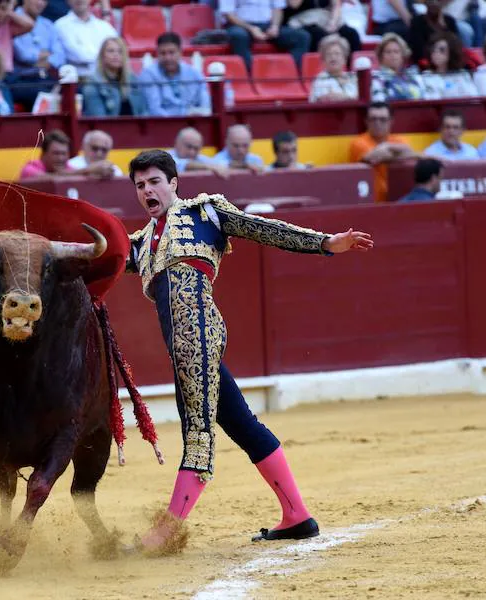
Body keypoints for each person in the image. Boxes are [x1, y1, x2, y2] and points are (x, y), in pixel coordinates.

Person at [124, 149, 372, 554]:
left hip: (199, 338)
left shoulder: (204, 212)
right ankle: (297, 516)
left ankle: (166, 531)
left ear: (173, 183)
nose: (147, 190)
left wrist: (325, 242)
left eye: (154, 181)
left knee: (197, 432)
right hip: (183, 348)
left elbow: (262, 229)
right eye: (139, 185)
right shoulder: (141, 244)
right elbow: (100, 257)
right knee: (242, 424)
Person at [349, 101, 416, 203]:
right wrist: (401, 153)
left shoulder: (398, 140)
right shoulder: (358, 143)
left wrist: (387, 146)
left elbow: (409, 153)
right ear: (366, 121)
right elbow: (374, 158)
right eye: (373, 119)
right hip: (368, 202)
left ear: (391, 121)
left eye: (383, 120)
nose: (377, 123)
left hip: (396, 200)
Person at [221, 0, 311, 71]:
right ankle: (250, 72)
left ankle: (290, 72)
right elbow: (229, 14)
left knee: (302, 36)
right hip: (240, 25)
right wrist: (251, 28)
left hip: (267, 24)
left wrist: (275, 26)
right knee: (238, 36)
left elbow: (277, 9)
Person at [138, 33, 210, 117]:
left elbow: (205, 106)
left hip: (191, 124)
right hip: (160, 125)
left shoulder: (194, 74)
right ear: (157, 54)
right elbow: (154, 110)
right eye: (163, 53)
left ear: (180, 52)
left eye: (171, 53)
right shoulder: (148, 75)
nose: (167, 58)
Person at [81, 36, 145, 117]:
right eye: (111, 51)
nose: (116, 55)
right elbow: (98, 118)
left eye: (120, 51)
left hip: (135, 128)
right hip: (106, 128)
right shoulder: (93, 82)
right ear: (102, 56)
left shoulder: (132, 79)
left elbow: (143, 112)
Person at [19, 129, 118, 180]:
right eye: (56, 153)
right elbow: (47, 179)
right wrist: (88, 170)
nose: (61, 158)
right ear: (43, 155)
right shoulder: (29, 169)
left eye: (64, 154)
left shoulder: (69, 168)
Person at [54, 0, 117, 77]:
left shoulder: (104, 26)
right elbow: (81, 56)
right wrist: (106, 57)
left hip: (107, 78)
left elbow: (119, 51)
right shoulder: (60, 25)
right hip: (79, 81)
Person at [281, 0, 361, 58]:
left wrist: (332, 23)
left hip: (324, 17)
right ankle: (322, 73)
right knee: (319, 35)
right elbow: (294, 4)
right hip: (301, 19)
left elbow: (336, 5)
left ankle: (352, 71)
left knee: (351, 33)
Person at [421, 31, 478, 98]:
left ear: (451, 52)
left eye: (441, 50)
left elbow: (473, 97)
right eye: (433, 49)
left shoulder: (462, 75)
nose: (436, 52)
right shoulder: (426, 76)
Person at [370, 33, 426, 102]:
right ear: (381, 56)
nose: (392, 55)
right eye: (388, 52)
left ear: (403, 55)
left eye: (396, 52)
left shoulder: (414, 77)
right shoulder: (376, 79)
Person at [308, 33, 357, 102]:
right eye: (329, 54)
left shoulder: (353, 77)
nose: (333, 57)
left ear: (345, 59)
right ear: (323, 60)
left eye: (337, 54)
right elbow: (327, 99)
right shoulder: (321, 79)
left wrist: (345, 97)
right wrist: (350, 98)